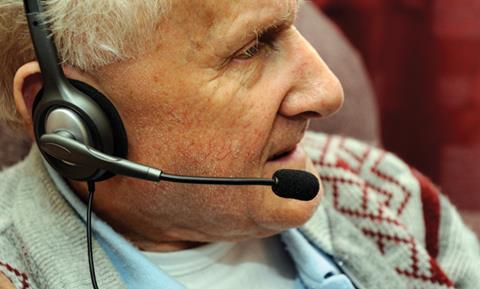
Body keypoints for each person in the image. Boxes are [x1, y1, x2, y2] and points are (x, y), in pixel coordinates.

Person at [0, 1, 478, 289]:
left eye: (294, 25)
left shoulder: (384, 191)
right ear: (72, 121)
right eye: (250, 48)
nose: (327, 92)